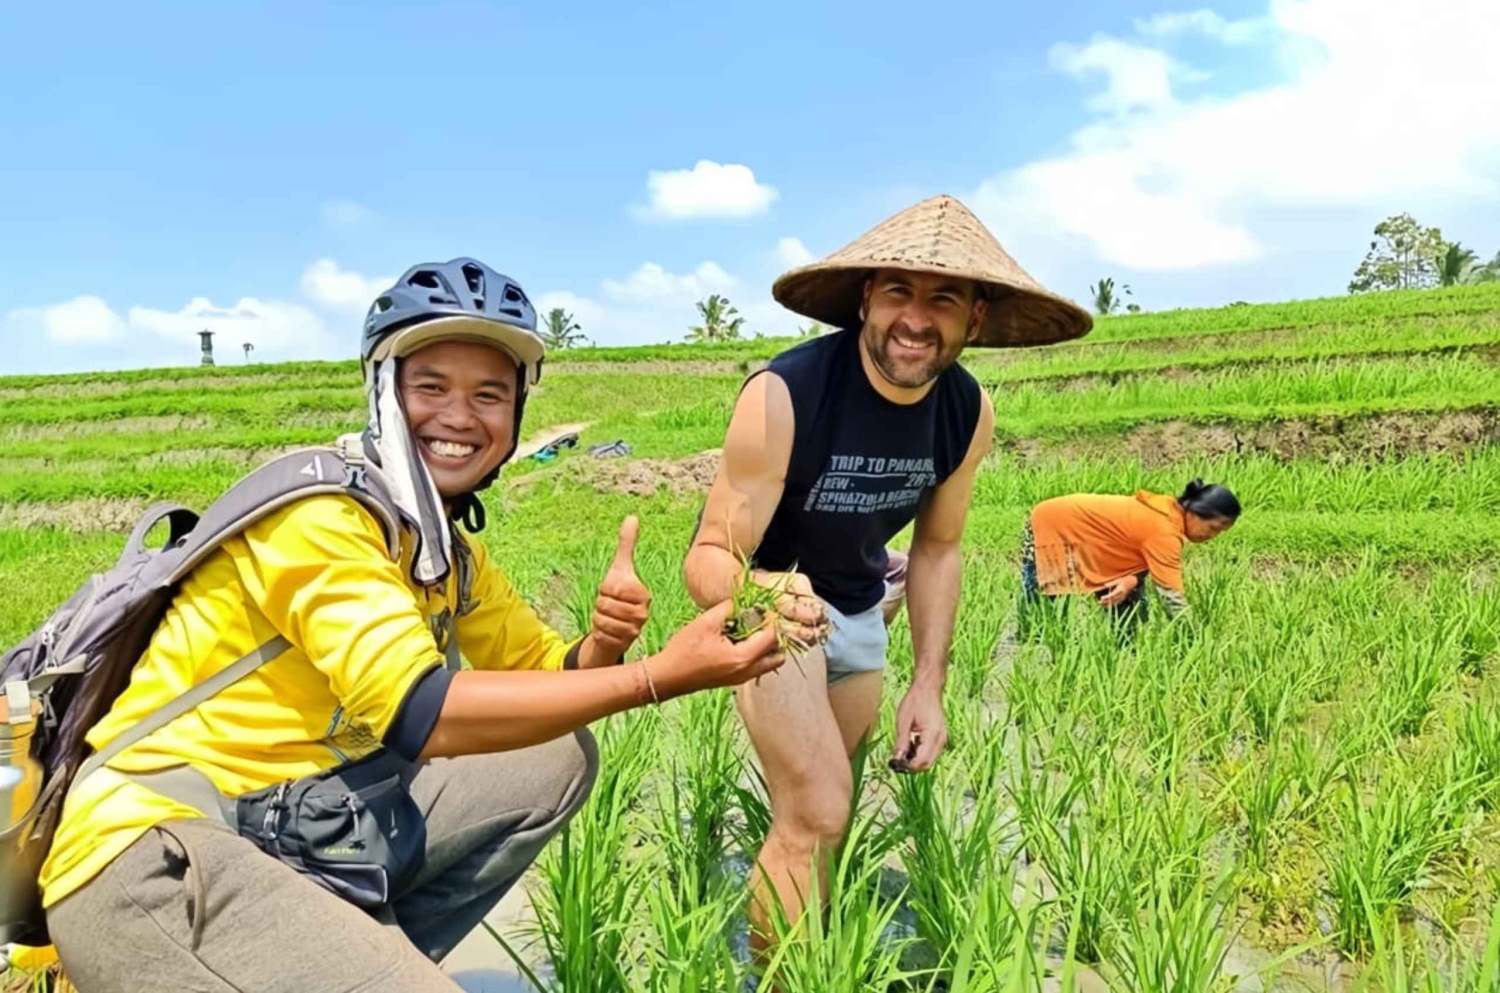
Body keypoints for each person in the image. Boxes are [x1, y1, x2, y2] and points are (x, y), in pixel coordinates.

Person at [39, 259, 784, 992]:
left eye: (489, 394)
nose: (460, 416)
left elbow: (551, 680)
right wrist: (655, 677)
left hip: (280, 829)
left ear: (516, 413)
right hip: (151, 859)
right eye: (431, 387)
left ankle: (353, 956)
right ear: (384, 394)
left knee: (555, 757)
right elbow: (417, 712)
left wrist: (606, 644)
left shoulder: (440, 551)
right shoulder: (321, 517)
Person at [682, 196, 1091, 954]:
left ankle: (812, 945)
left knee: (824, 816)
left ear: (975, 320)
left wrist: (927, 683)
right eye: (898, 291)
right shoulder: (787, 394)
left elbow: (938, 548)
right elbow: (708, 557)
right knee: (816, 806)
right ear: (865, 297)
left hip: (861, 608)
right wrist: (766, 592)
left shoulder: (967, 410)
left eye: (943, 299)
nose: (915, 317)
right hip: (776, 608)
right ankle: (780, 976)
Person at [1021, 479, 1241, 629]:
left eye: (1220, 532)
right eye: (1212, 528)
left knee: (1128, 601)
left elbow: (1133, 545)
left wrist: (1130, 579)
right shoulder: (1165, 531)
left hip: (1092, 539)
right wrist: (1195, 639)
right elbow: (1172, 597)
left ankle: (1124, 648)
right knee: (1043, 610)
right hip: (1052, 526)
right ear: (1195, 513)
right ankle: (1030, 646)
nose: (1212, 536)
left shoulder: (1168, 511)